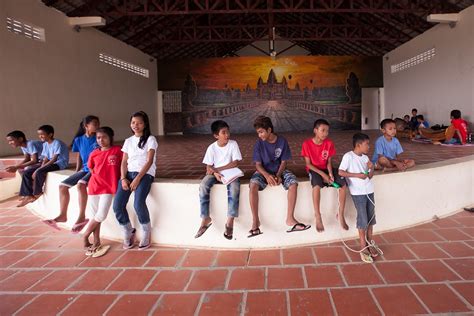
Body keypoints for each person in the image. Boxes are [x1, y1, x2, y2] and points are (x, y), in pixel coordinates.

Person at [248, 115, 310, 237]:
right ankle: (255, 221)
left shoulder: (282, 141)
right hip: (263, 171)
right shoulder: (259, 144)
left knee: (293, 182)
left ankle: (290, 218)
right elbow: (258, 165)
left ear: (269, 130)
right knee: (253, 185)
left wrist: (278, 175)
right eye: (258, 133)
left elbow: (283, 162)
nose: (259, 135)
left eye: (261, 132)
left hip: (279, 170)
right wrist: (266, 176)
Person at [43, 115, 99, 232]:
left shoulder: (99, 137)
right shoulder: (78, 140)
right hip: (84, 169)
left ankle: (82, 216)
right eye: (94, 123)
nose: (97, 126)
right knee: (63, 186)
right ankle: (63, 215)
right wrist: (77, 170)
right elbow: (79, 155)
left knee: (81, 184)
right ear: (86, 126)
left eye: (98, 123)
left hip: (95, 169)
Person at [113, 111, 157, 250]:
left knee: (138, 204)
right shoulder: (128, 141)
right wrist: (123, 178)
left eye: (139, 123)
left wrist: (138, 178)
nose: (136, 125)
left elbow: (149, 161)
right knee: (117, 206)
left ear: (145, 124)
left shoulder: (150, 139)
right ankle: (128, 230)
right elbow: (124, 161)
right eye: (133, 122)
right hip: (128, 175)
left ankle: (146, 232)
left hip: (145, 174)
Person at [195, 120, 242, 240]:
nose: (227, 135)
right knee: (204, 185)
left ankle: (230, 221)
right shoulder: (211, 148)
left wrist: (218, 169)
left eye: (228, 132)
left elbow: (235, 162)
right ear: (216, 135)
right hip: (216, 174)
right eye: (224, 132)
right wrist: (215, 172)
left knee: (235, 188)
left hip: (230, 172)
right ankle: (205, 217)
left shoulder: (233, 144)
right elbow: (208, 167)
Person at [301, 119, 348, 232]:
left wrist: (330, 174)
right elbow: (308, 164)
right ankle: (318, 216)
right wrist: (323, 175)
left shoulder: (329, 143)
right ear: (315, 130)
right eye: (323, 130)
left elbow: (328, 162)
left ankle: (340, 214)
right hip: (314, 170)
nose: (325, 133)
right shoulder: (307, 144)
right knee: (316, 185)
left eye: (327, 131)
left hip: (326, 170)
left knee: (342, 183)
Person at [339, 133, 379, 263]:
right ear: (358, 145)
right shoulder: (348, 156)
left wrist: (371, 168)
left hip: (369, 190)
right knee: (363, 218)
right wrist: (357, 175)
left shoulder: (365, 158)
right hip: (358, 193)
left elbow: (370, 176)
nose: (369, 146)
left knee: (371, 218)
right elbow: (341, 172)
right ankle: (363, 246)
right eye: (367, 144)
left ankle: (369, 242)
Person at [82, 127, 122, 258]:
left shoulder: (118, 150)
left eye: (104, 137)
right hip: (94, 187)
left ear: (111, 137)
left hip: (108, 188)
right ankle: (97, 241)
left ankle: (85, 235)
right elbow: (91, 168)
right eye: (98, 138)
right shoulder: (94, 153)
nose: (101, 140)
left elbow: (124, 165)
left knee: (101, 215)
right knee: (95, 216)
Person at [19, 125, 69, 206]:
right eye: (39, 135)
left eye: (42, 134)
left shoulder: (57, 143)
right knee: (27, 172)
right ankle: (28, 195)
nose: (40, 136)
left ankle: (37, 192)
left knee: (39, 172)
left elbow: (54, 159)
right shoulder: (45, 144)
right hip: (50, 163)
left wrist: (39, 170)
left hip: (59, 164)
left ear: (50, 134)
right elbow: (45, 158)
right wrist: (40, 167)